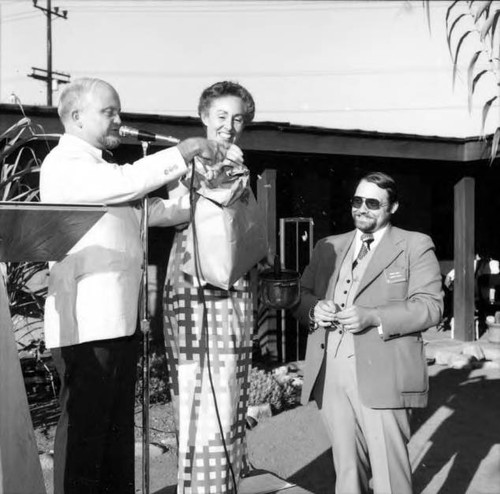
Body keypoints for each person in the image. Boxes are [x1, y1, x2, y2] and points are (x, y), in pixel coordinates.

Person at [40, 77, 236, 494]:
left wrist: (217, 191)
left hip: (118, 322)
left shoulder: (101, 168)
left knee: (113, 439)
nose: (120, 121)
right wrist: (181, 152)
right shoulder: (66, 163)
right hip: (87, 325)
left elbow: (157, 211)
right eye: (108, 112)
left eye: (119, 111)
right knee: (85, 439)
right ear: (76, 117)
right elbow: (128, 183)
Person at [294, 171, 443, 494]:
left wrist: (373, 316)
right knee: (346, 468)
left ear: (393, 207)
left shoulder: (414, 245)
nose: (362, 208)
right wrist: (313, 308)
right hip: (330, 372)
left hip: (383, 371)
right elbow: (300, 294)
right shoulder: (327, 246)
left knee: (390, 471)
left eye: (372, 203)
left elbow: (430, 307)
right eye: (357, 201)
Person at [163, 81, 257, 493]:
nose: (229, 126)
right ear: (204, 117)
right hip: (192, 287)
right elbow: (170, 210)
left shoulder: (239, 161)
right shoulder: (185, 161)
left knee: (230, 389)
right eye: (221, 116)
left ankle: (225, 485)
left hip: (234, 291)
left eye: (238, 118)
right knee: (198, 394)